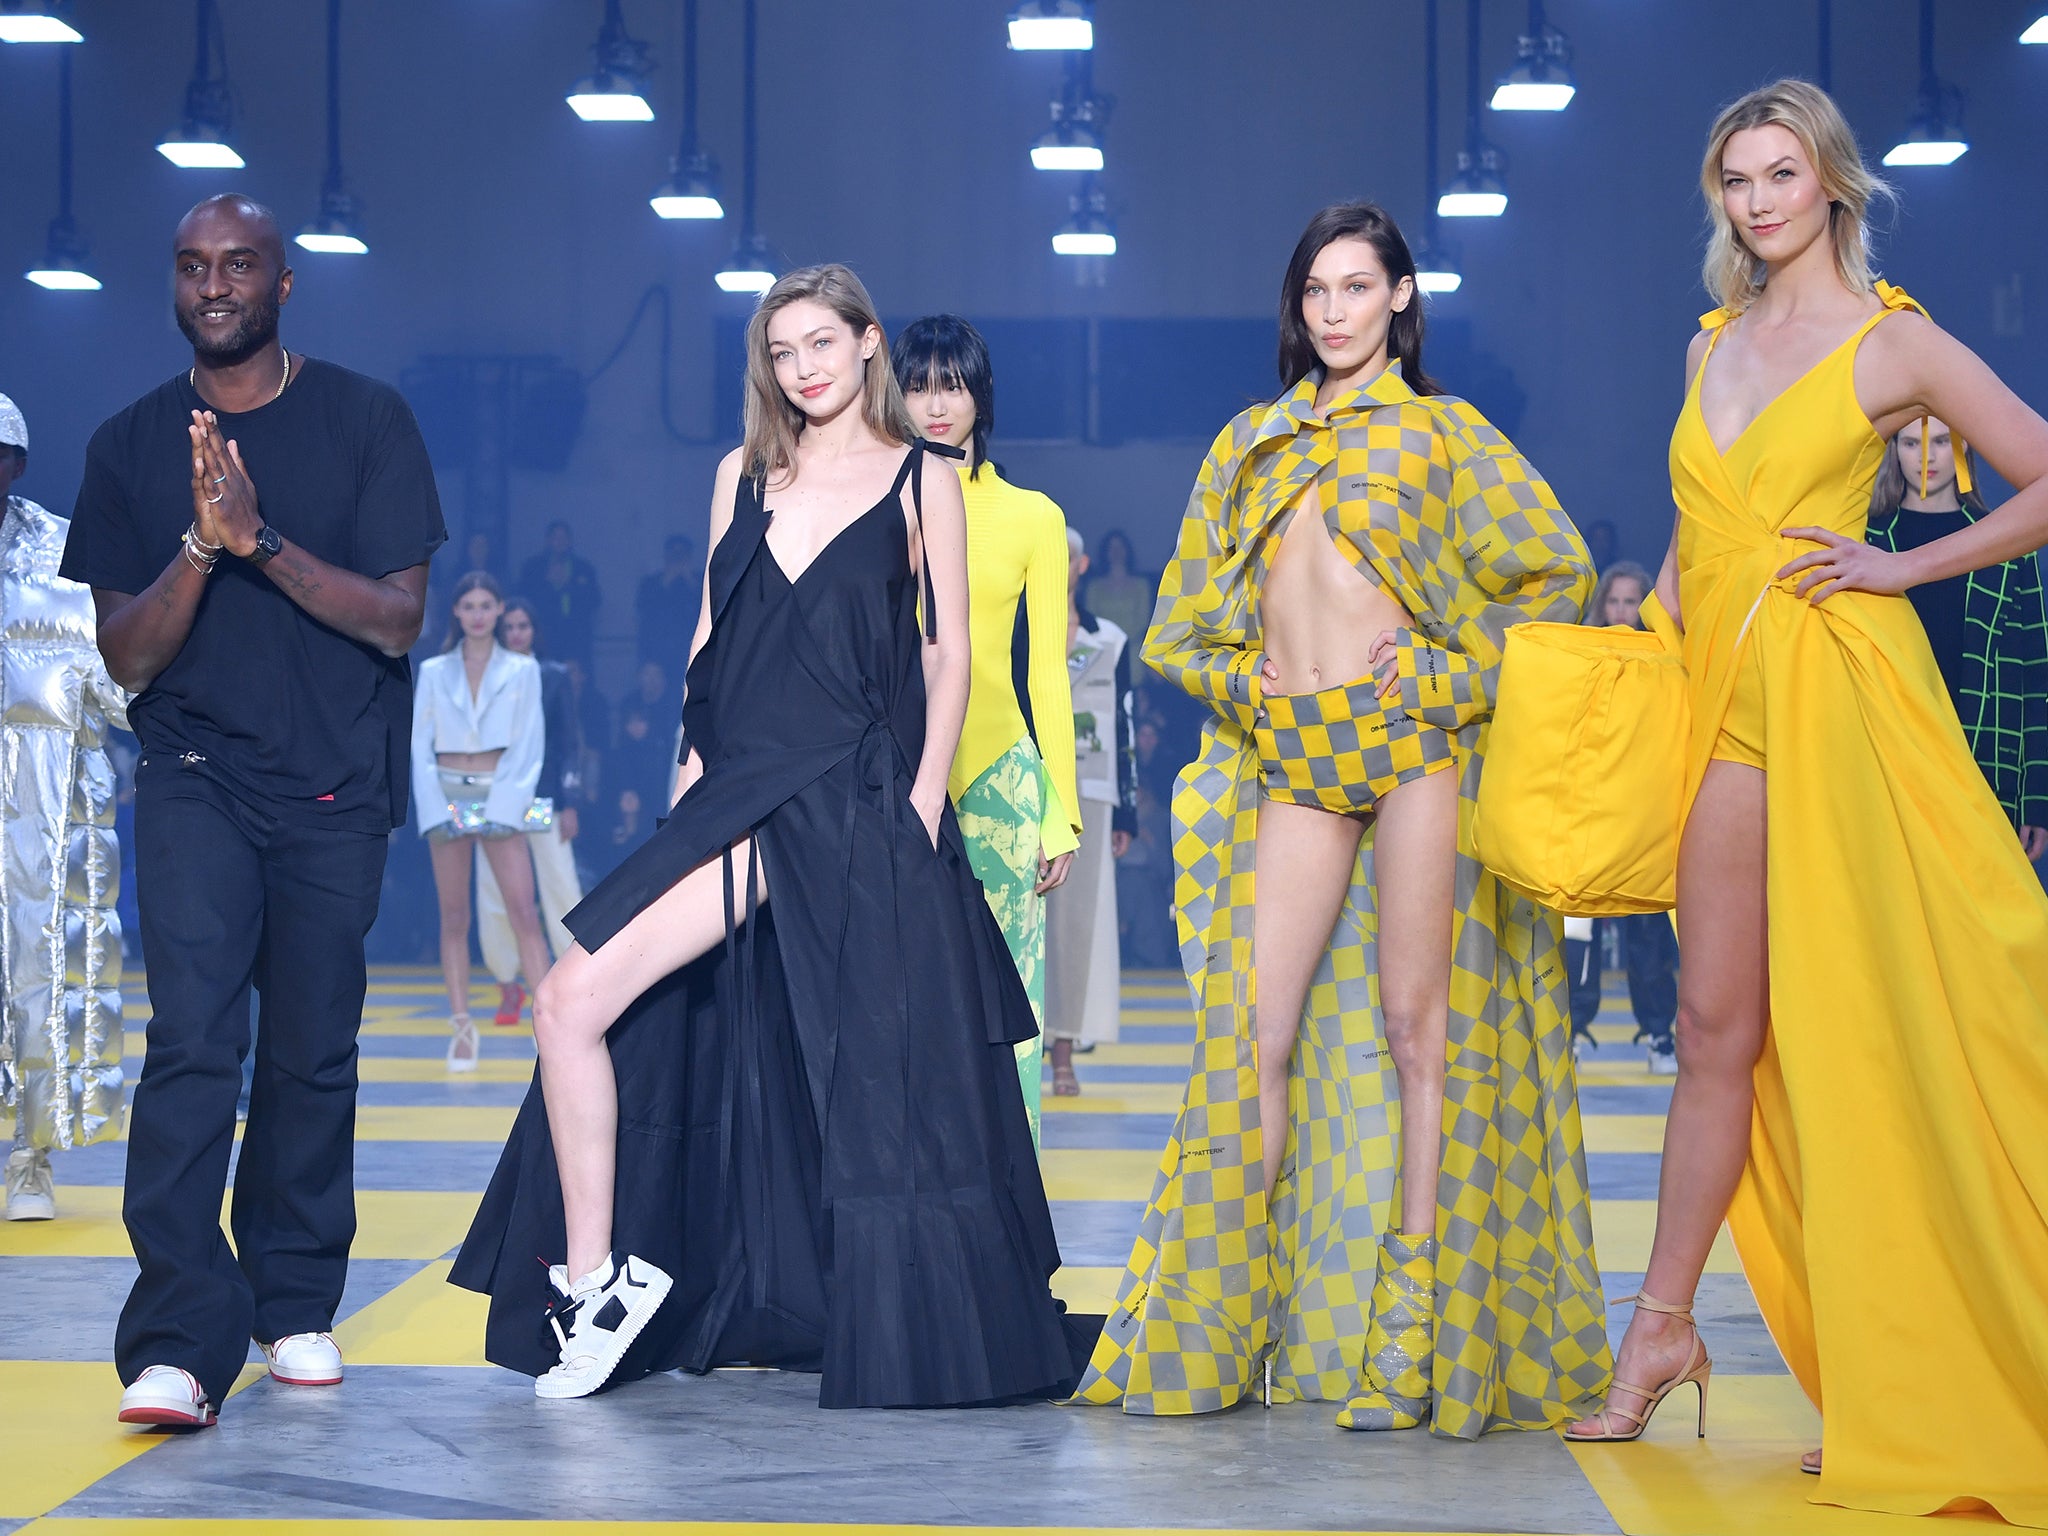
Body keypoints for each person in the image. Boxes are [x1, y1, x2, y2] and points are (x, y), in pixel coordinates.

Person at [452, 264, 1083, 1409]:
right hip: (738, 791)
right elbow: (709, 636)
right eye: (782, 352)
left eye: (819, 345)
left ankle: (880, 1313)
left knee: (870, 1080)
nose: (802, 368)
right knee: (566, 1000)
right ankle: (596, 1281)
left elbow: (947, 657)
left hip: (855, 794)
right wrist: (683, 791)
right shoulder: (740, 476)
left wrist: (924, 801)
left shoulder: (920, 476)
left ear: (866, 345)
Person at [1562, 82, 2048, 1525]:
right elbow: (1696, 530)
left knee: (1869, 1028)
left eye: (1780, 174)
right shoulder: (1713, 342)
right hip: (1718, 700)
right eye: (1734, 180)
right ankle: (1660, 1326)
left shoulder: (1893, 341)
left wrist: (1903, 564)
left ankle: (1906, 1368)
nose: (1757, 201)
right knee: (1718, 1026)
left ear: (1832, 183)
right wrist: (1648, 640)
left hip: (1840, 699)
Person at [1077, 201, 1608, 1437]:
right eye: (1314, 289)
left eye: (1356, 288)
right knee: (1251, 1036)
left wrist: (1449, 672)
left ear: (1399, 302)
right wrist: (1231, 677)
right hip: (1296, 748)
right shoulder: (1251, 442)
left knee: (1417, 1031)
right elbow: (1177, 619)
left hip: (1414, 741)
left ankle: (1406, 1342)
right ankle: (1219, 1324)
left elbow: (1557, 573)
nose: (1331, 310)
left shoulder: (1445, 436)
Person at [60, 195, 444, 1428]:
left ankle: (292, 1306)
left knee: (309, 1055)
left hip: (335, 791)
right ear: (173, 286)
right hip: (193, 784)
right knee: (190, 1046)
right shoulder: (128, 445)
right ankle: (175, 1338)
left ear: (285, 284)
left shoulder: (368, 420)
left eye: (238, 265)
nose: (213, 283)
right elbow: (126, 659)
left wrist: (261, 536)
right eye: (190, 267)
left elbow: (396, 618)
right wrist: (202, 542)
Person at [893, 315, 1081, 1143]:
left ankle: (1013, 1211)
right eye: (920, 385)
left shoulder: (1034, 516)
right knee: (901, 997)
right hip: (894, 774)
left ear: (981, 394)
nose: (937, 405)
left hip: (1002, 777)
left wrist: (1060, 809)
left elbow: (1046, 672)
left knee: (1012, 1001)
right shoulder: (875, 502)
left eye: (953, 385)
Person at [0, 393, 129, 1222]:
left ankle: (30, 1156)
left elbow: (119, 669)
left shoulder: (60, 552)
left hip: (44, 794)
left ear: (13, 463)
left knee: (40, 969)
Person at [1865, 415, 2048, 860]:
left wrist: (2038, 799)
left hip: (1983, 758)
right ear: (1894, 450)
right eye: (1911, 443)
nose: (1926, 456)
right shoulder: (1864, 542)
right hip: (1885, 756)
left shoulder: (2007, 546)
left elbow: (2036, 676)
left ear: (1965, 446)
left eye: (1942, 441)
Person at [412, 573, 552, 1069]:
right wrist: (432, 809)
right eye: (468, 604)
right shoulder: (433, 671)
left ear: (497, 610)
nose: (477, 613)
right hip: (448, 791)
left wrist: (505, 809)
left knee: (524, 911)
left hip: (501, 792)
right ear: (456, 611)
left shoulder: (522, 670)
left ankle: (548, 1021)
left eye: (485, 605)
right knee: (455, 917)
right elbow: (419, 747)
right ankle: (462, 1027)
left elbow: (530, 743)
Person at [1563, 562, 1680, 1074]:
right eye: (1613, 601)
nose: (1620, 611)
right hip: (1590, 814)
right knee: (1579, 929)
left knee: (1649, 933)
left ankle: (1658, 1034)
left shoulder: (1664, 660)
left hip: (1645, 817)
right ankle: (1575, 1026)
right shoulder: (1581, 659)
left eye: (1631, 602)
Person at [1045, 526, 1136, 1095]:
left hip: (1093, 793)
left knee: (1078, 927)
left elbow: (1122, 720)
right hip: (1031, 787)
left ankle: (1063, 1052)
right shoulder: (1019, 633)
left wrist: (1127, 809)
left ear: (1080, 567)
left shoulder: (1113, 641)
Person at [475, 597, 584, 1027]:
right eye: (511, 628)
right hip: (496, 802)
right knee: (492, 892)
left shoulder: (552, 677)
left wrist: (570, 804)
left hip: (541, 800)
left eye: (523, 626)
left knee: (558, 882)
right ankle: (508, 984)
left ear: (533, 630)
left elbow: (569, 743)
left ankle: (575, 974)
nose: (517, 633)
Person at [517, 520, 602, 671]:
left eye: (564, 538)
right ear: (548, 540)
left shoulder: (583, 568)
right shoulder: (533, 568)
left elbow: (594, 600)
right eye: (556, 538)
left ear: (570, 541)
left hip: (576, 639)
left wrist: (568, 586)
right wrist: (548, 583)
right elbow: (525, 602)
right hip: (544, 638)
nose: (560, 542)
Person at [636, 533, 701, 676]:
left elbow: (710, 608)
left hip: (691, 649)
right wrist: (666, 582)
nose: (678, 560)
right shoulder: (651, 583)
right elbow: (644, 609)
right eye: (674, 556)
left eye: (682, 556)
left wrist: (690, 581)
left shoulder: (701, 583)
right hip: (658, 653)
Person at [1080, 529, 1153, 650]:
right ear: (1105, 552)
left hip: (1133, 650)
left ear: (1127, 550)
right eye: (1112, 548)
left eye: (1120, 547)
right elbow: (1091, 618)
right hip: (1103, 649)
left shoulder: (1142, 585)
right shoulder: (1093, 587)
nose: (1116, 552)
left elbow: (1143, 620)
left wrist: (1121, 639)